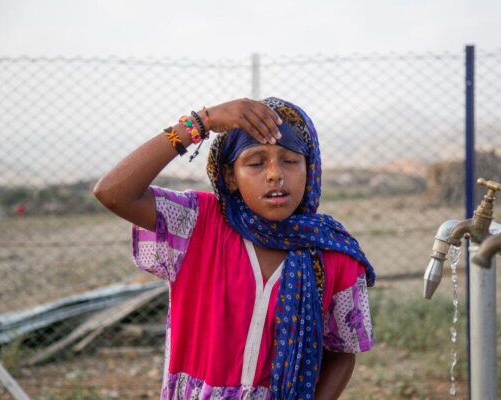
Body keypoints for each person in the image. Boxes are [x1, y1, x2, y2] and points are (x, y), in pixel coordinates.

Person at [94, 97, 376, 400]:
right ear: (230, 176)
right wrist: (201, 122)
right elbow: (113, 192)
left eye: (290, 160)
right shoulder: (197, 224)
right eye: (256, 162)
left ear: (310, 169)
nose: (274, 174)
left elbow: (342, 352)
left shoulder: (333, 252)